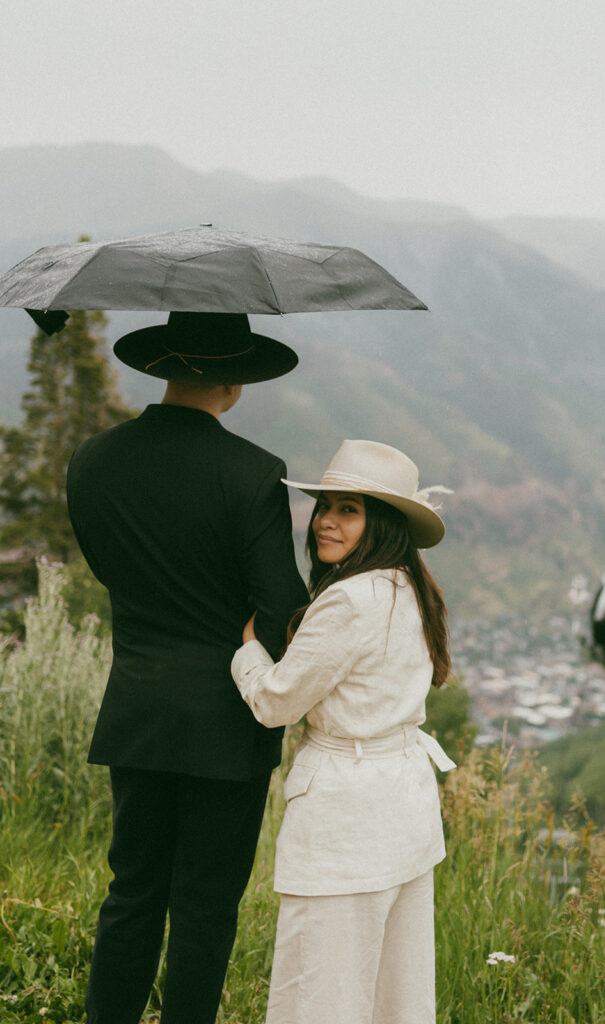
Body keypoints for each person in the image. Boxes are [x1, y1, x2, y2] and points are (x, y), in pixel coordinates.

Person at [66, 311, 310, 1024]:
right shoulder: (253, 473)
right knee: (203, 907)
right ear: (234, 383)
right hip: (227, 724)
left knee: (132, 891)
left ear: (164, 367)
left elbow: (107, 568)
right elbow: (281, 606)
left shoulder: (93, 459)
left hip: (137, 707)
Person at [231, 438, 455, 1024]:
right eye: (326, 506)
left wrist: (249, 651)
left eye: (348, 510)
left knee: (320, 992)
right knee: (395, 994)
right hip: (403, 807)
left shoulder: (349, 600)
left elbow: (277, 703)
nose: (327, 521)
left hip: (345, 819)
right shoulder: (410, 589)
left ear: (380, 523)